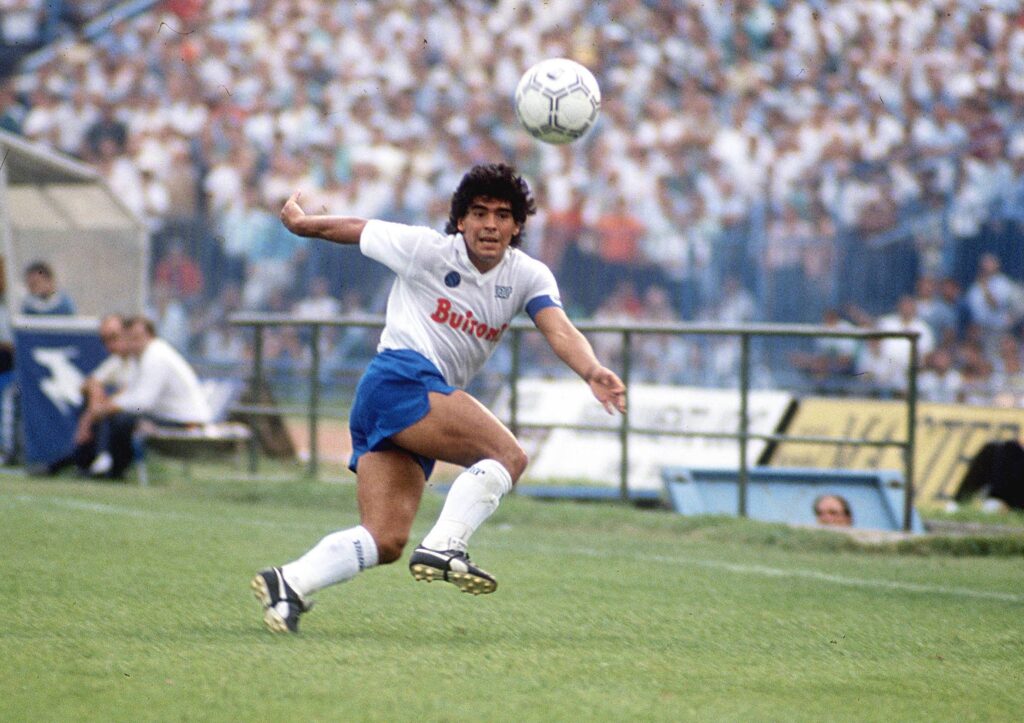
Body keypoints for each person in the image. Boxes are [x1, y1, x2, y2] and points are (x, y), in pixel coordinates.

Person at [252, 163, 627, 633]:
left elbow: (559, 329)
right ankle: (445, 544)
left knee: (385, 539)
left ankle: (289, 582)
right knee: (508, 456)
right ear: (461, 220)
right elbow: (357, 228)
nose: (490, 224)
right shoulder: (428, 250)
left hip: (403, 402)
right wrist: (302, 224)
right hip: (399, 379)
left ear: (517, 226)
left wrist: (591, 369)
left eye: (502, 215)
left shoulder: (528, 275)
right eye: (479, 213)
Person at [80, 315, 212, 479]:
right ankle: (101, 464)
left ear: (150, 336)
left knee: (122, 419)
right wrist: (108, 406)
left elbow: (143, 403)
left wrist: (110, 407)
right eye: (130, 338)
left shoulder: (156, 356)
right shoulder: (142, 357)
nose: (134, 343)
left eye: (137, 338)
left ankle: (113, 470)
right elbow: (130, 394)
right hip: (170, 418)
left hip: (186, 422)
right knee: (116, 415)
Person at [46, 314, 138, 476]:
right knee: (92, 399)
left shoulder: (141, 358)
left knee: (115, 414)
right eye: (105, 340)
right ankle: (87, 460)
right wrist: (95, 398)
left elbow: (131, 395)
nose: (110, 345)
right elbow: (89, 383)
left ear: (128, 333)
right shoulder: (117, 361)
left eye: (114, 337)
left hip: (141, 418)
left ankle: (106, 463)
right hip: (111, 417)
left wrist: (90, 416)